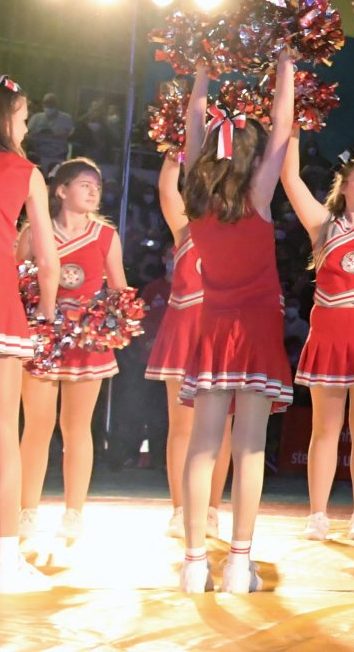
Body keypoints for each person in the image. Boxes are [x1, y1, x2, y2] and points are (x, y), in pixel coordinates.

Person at [177, 52, 297, 593]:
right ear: (250, 158)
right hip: (255, 333)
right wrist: (287, 65)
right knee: (249, 447)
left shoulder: (193, 196)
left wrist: (201, 73)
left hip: (211, 328)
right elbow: (283, 126)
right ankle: (238, 563)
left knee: (202, 446)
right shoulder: (259, 196)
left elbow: (193, 125)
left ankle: (194, 561)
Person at [280, 135, 354, 544]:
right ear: (344, 185)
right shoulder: (323, 225)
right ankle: (317, 513)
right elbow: (290, 177)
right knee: (324, 429)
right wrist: (293, 129)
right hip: (329, 338)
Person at [16, 156, 130, 551]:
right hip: (43, 340)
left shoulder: (105, 237)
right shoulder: (35, 232)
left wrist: (107, 323)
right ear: (61, 190)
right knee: (36, 427)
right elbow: (16, 283)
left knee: (77, 428)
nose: (93, 190)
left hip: (87, 345)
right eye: (84, 184)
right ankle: (26, 511)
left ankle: (73, 512)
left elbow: (120, 292)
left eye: (96, 185)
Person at [0, 76, 59, 592]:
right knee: (2, 437)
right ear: (6, 117)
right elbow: (46, 258)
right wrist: (49, 315)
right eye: (24, 117)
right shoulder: (26, 171)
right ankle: (6, 563)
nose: (26, 125)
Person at [145, 153, 230, 542]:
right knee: (181, 426)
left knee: (222, 428)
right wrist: (173, 147)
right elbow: (166, 187)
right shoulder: (185, 229)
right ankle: (180, 509)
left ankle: (211, 509)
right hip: (183, 332)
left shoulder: (240, 229)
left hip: (222, 336)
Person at [23, 95, 70, 172]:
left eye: (52, 103)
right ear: (43, 104)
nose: (49, 105)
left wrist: (49, 136)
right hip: (37, 155)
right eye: (46, 103)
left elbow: (67, 135)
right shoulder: (36, 118)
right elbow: (27, 134)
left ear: (57, 104)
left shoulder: (65, 118)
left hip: (58, 155)